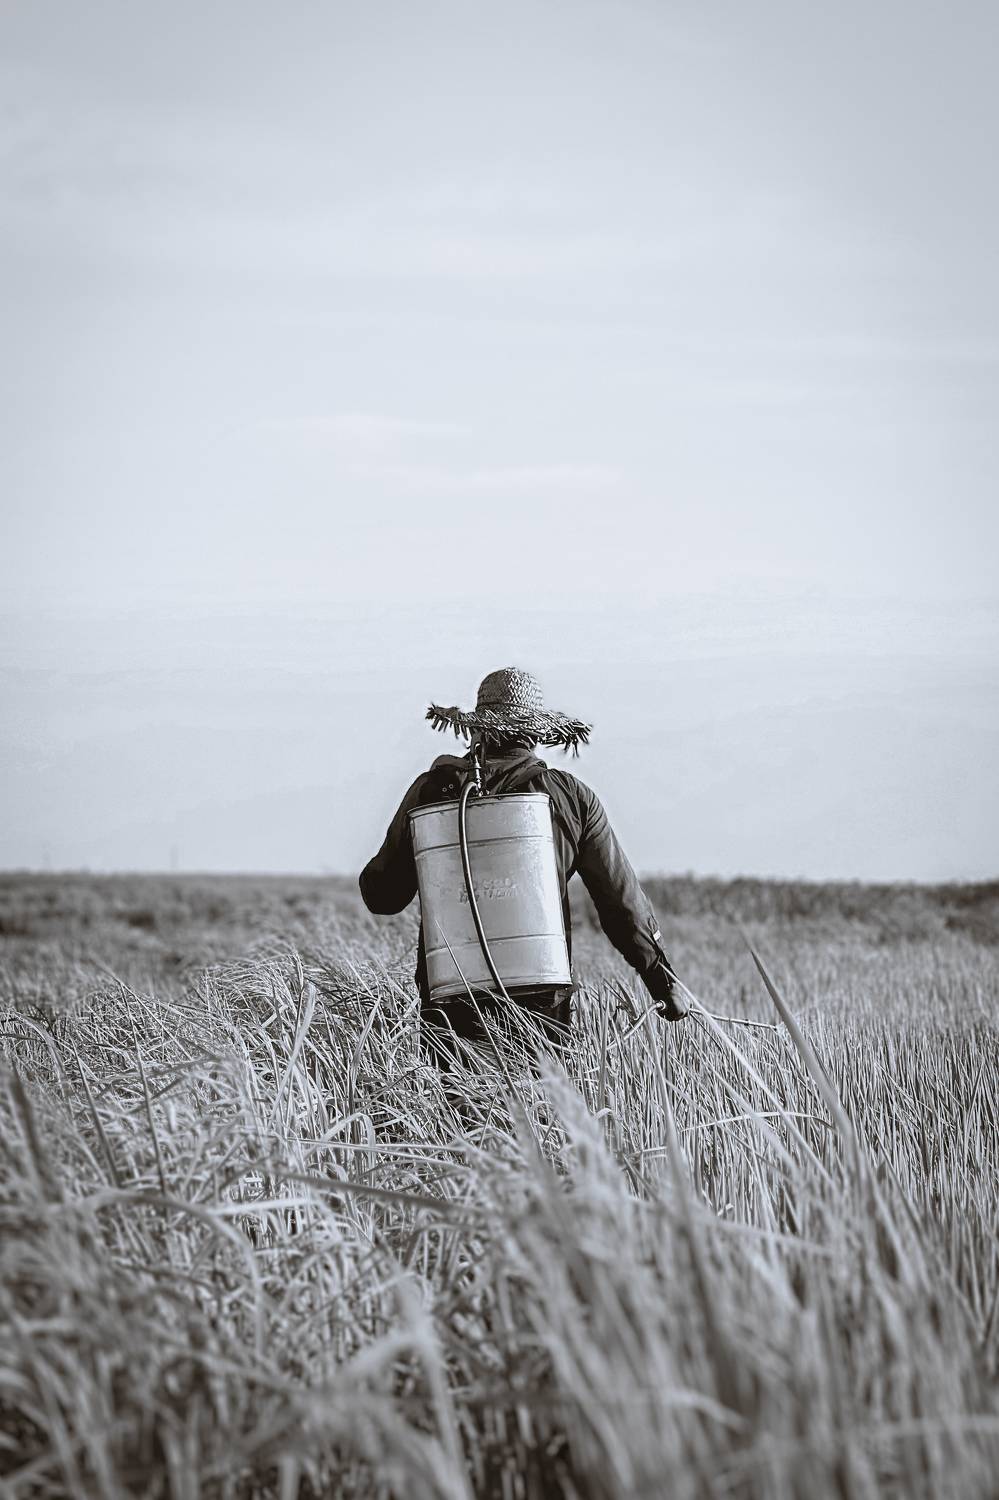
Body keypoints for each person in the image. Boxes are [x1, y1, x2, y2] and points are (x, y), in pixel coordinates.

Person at [359, 667, 687, 1062]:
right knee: (539, 1099)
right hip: (541, 993)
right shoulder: (570, 797)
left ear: (477, 729)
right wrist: (662, 981)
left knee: (459, 1101)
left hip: (452, 992)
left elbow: (382, 896)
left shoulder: (432, 790)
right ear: (537, 734)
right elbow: (620, 902)